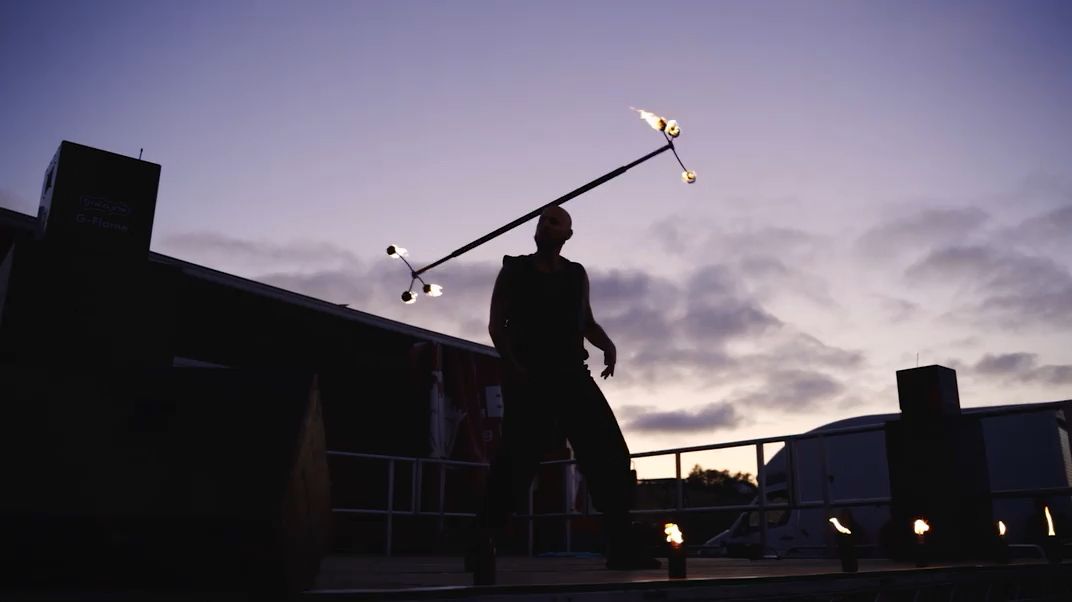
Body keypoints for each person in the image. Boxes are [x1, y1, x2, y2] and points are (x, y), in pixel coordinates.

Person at [471, 205, 659, 575]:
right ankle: (483, 540)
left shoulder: (575, 274)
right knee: (518, 458)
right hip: (529, 375)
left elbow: (586, 320)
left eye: (554, 221)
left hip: (572, 373)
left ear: (567, 234)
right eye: (542, 219)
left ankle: (621, 544)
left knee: (608, 451)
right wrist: (513, 364)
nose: (545, 223)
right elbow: (496, 325)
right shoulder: (514, 270)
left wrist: (607, 344)